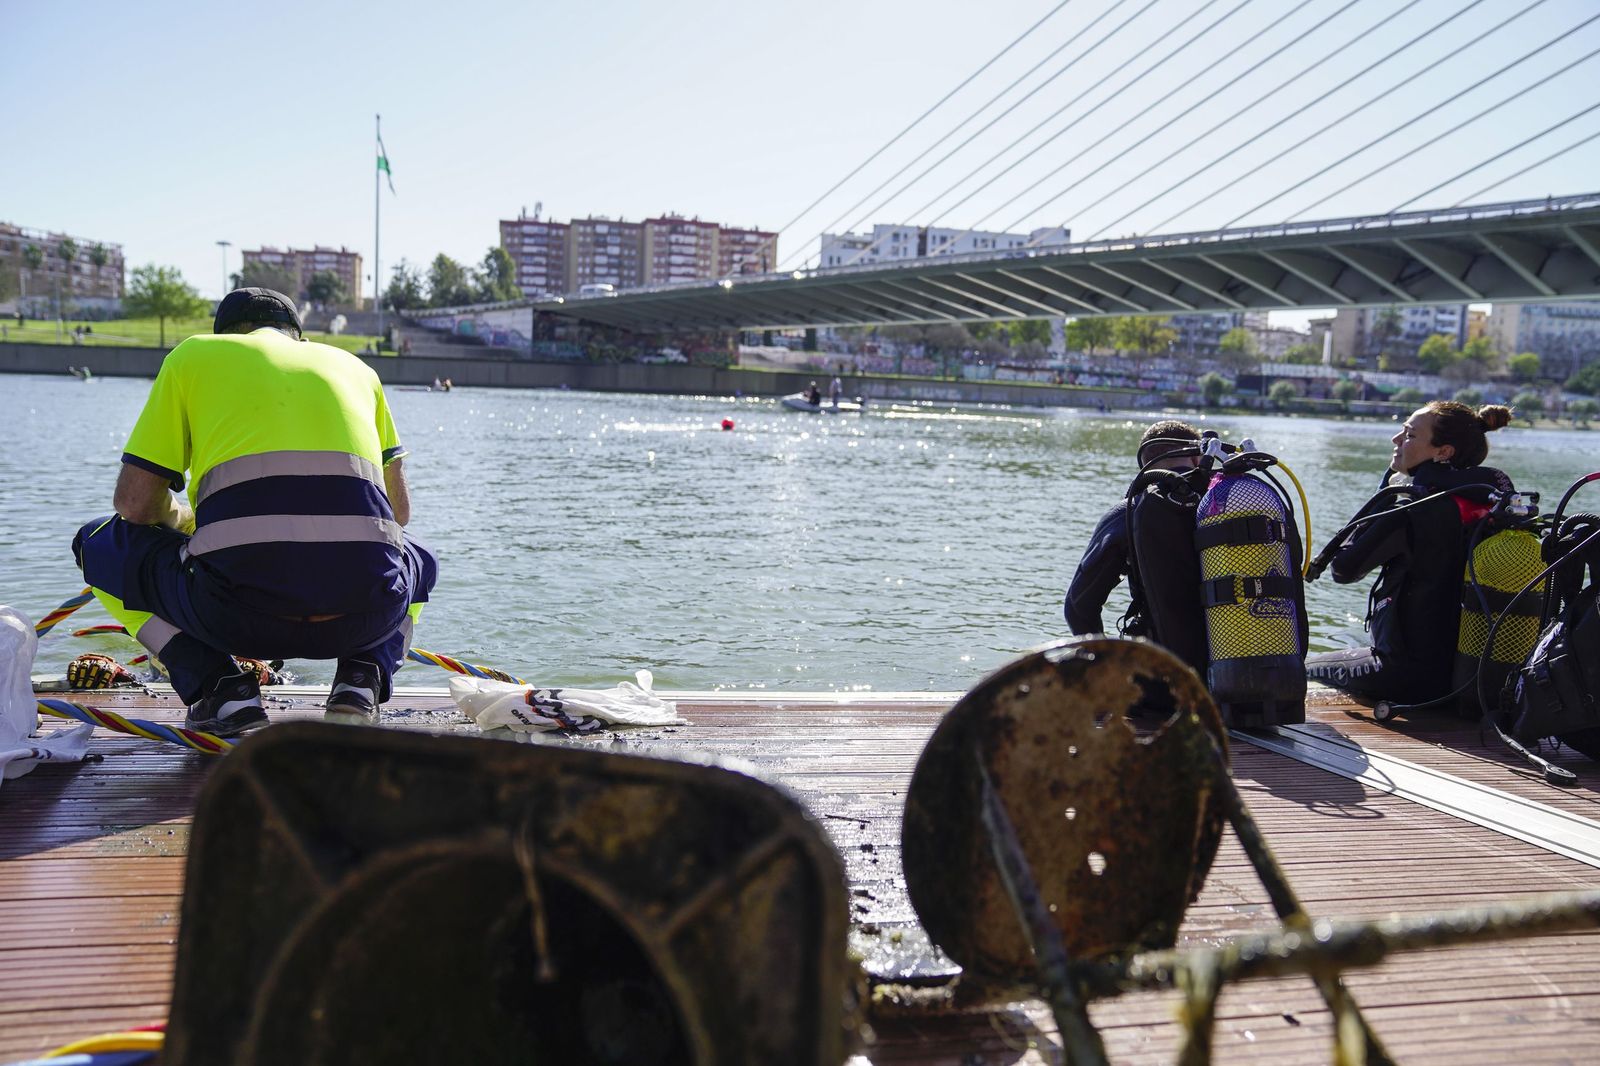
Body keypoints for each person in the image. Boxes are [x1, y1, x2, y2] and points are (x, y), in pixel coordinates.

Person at [71, 288, 438, 736]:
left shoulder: (194, 357)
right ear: (298, 340)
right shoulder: (358, 370)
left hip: (235, 615)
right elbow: (398, 513)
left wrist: (184, 520)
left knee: (98, 543)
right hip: (364, 616)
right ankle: (361, 680)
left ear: (227, 336)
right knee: (418, 557)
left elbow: (134, 505)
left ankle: (219, 687)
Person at [1305, 401, 1515, 705]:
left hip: (1408, 677)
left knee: (1309, 667)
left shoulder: (1412, 510)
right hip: (1471, 679)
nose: (1396, 440)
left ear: (1443, 452)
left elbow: (1343, 569)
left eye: (1410, 435)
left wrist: (1386, 489)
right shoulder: (1492, 507)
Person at [1064, 420, 1201, 637]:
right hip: (1258, 651)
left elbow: (1078, 607)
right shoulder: (1234, 502)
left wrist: (1106, 664)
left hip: (1168, 663)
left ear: (1146, 465)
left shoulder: (1131, 511)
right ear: (1198, 457)